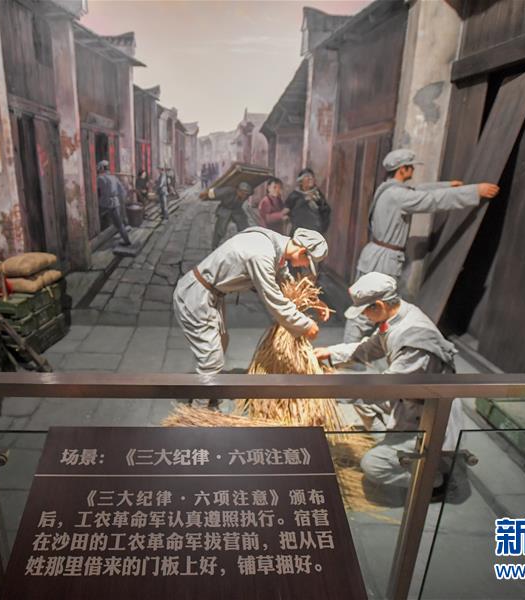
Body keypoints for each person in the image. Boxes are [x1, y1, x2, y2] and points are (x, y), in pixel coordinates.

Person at [313, 272, 463, 496]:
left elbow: (385, 389)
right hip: (407, 401)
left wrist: (333, 389)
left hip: (429, 416)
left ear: (380, 305)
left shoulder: (415, 341)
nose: (364, 316)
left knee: (373, 466)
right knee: (362, 402)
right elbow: (371, 346)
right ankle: (394, 446)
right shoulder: (398, 316)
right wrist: (330, 353)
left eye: (365, 311)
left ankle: (433, 480)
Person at [346, 148, 500, 344]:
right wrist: (474, 192)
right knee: (369, 309)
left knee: (369, 306)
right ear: (402, 169)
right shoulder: (398, 195)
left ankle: (351, 350)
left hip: (376, 255)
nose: (413, 170)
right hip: (383, 259)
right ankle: (348, 353)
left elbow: (418, 190)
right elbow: (432, 201)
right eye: (411, 167)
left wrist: (447, 185)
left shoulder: (387, 189)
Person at [174, 227, 330, 408]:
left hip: (212, 296)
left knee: (221, 343)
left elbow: (284, 280)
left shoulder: (276, 246)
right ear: (302, 251)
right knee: (211, 358)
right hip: (196, 296)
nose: (304, 266)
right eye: (307, 262)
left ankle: (208, 392)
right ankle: (199, 409)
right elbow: (274, 299)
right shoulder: (261, 254)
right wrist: (305, 325)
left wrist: (314, 301)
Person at [203, 181, 253, 248]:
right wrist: (206, 194)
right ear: (238, 190)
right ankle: (214, 246)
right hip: (225, 209)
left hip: (237, 210)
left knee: (244, 226)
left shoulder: (245, 195)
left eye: (246, 194)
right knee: (220, 229)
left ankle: (246, 244)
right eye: (243, 193)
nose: (244, 196)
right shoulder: (228, 191)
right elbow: (215, 193)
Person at [286, 168, 331, 235]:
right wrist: (305, 200)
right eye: (307, 177)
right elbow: (290, 212)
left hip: (315, 231)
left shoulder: (318, 193)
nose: (311, 179)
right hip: (300, 230)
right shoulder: (294, 195)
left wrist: (319, 202)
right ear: (301, 181)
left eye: (312, 177)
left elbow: (326, 210)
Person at [96, 160, 130, 246]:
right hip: (115, 202)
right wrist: (123, 199)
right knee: (117, 222)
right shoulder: (114, 177)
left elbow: (97, 190)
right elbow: (122, 190)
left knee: (116, 222)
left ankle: (126, 240)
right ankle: (124, 236)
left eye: (99, 168)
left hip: (105, 203)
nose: (99, 170)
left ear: (102, 168)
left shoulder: (100, 178)